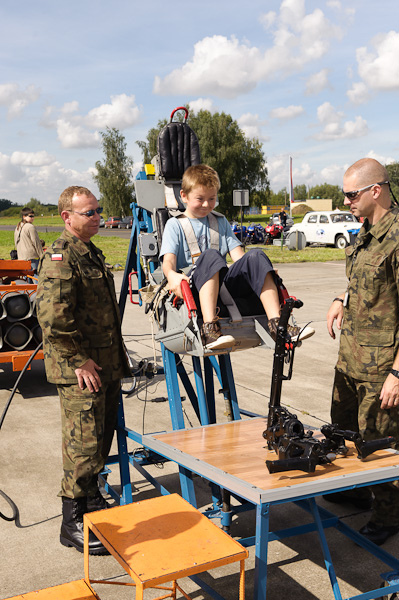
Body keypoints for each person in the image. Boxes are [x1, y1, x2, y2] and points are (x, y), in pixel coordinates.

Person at [36, 186, 130, 555]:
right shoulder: (61, 257)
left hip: (102, 364)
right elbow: (53, 319)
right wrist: (79, 360)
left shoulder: (89, 253)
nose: (97, 217)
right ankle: (71, 521)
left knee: (100, 439)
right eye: (89, 212)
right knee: (82, 444)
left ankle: (91, 505)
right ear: (67, 217)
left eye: (98, 210)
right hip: (80, 369)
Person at [160, 164, 314, 351]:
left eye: (212, 199)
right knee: (211, 255)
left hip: (224, 285)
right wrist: (171, 275)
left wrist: (260, 270)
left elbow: (239, 259)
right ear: (183, 196)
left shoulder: (220, 221)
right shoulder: (174, 225)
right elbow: (168, 261)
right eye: (200, 199)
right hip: (193, 288)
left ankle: (277, 326)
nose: (207, 204)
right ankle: (209, 329)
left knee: (256, 256)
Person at [326, 158, 399, 545]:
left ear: (376, 190)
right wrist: (342, 296)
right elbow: (360, 280)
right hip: (351, 358)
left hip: (381, 368)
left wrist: (398, 374)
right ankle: (355, 491)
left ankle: (389, 515)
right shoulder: (366, 231)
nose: (346, 200)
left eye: (351, 194)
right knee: (345, 432)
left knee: (380, 444)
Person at [14, 207, 43, 273]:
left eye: (33, 216)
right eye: (30, 216)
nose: (33, 218)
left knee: (26, 277)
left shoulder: (18, 226)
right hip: (31, 257)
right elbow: (36, 242)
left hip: (21, 257)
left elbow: (16, 242)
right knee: (36, 277)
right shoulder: (30, 227)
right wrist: (42, 256)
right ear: (24, 216)